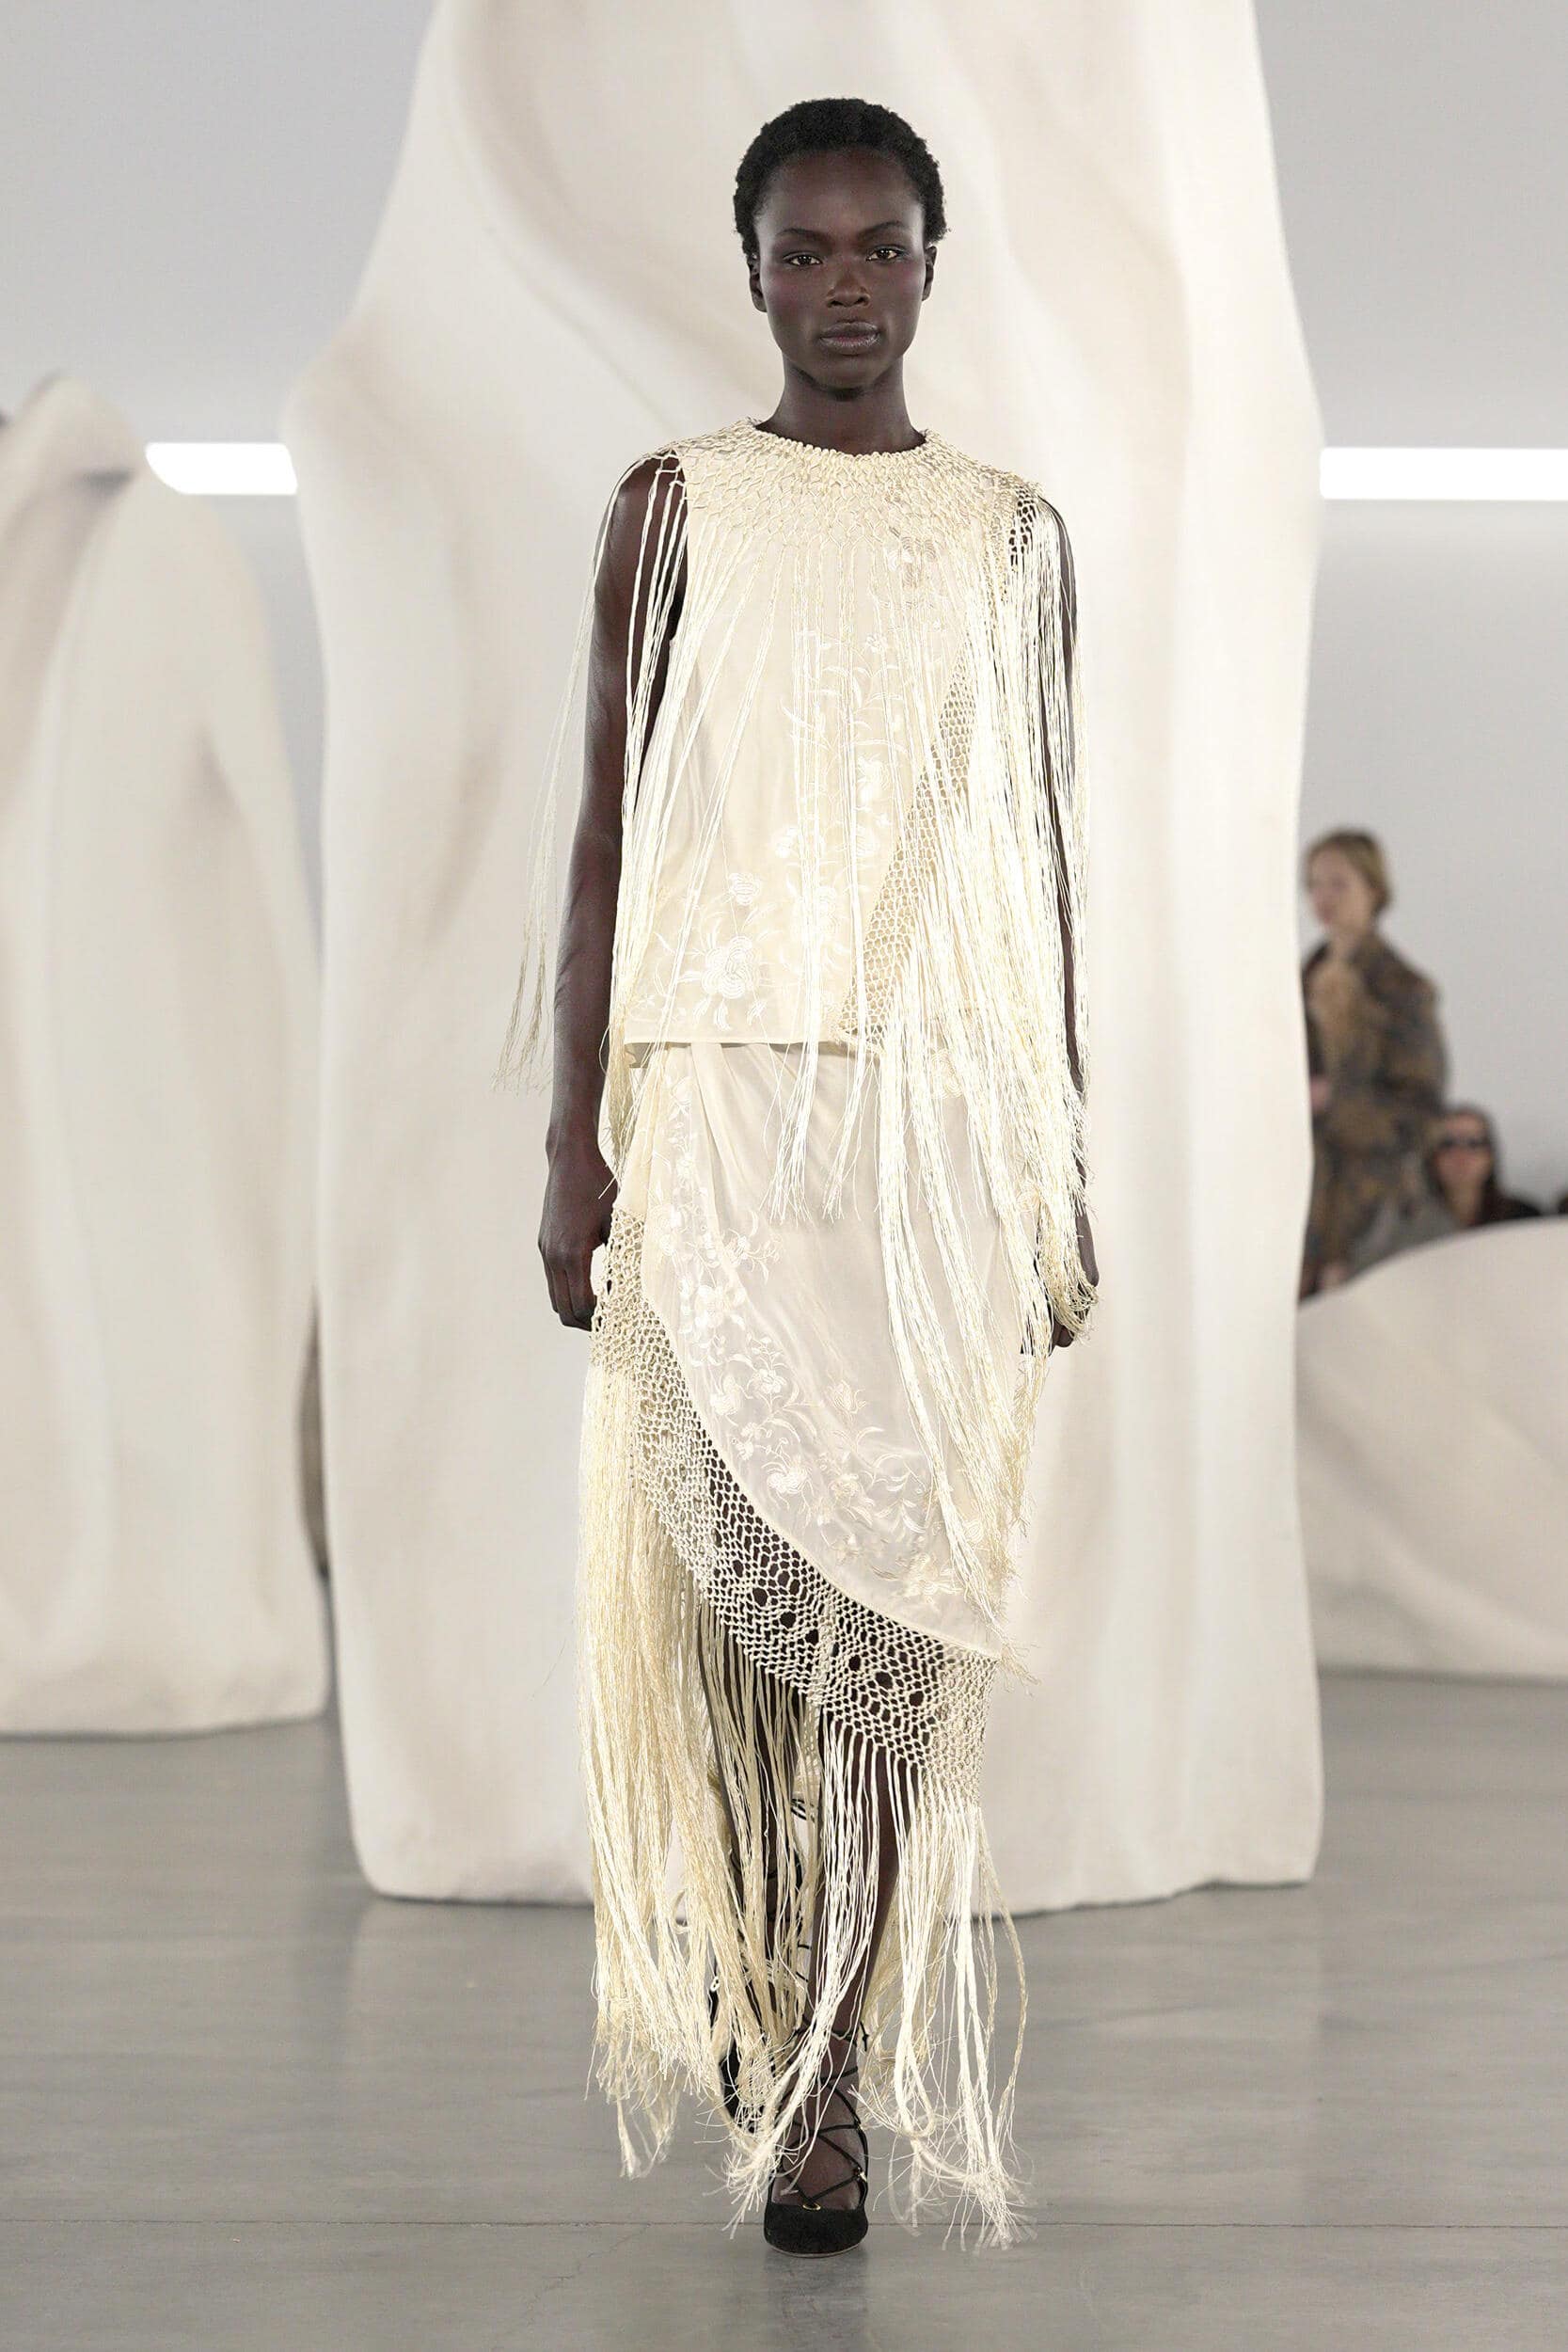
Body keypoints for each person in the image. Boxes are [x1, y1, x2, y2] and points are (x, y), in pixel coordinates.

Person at [495, 97, 1097, 2257]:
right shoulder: (671, 507)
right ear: (750, 270)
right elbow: (602, 829)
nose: (845, 287)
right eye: (805, 251)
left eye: (880, 247)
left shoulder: (1009, 534)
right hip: (722, 1120)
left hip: (927, 1139)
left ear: (932, 263)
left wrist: (1060, 1160)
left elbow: (1033, 858)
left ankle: (830, 2061)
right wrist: (569, 1145)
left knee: (888, 1622)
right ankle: (777, 1998)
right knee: (748, 1615)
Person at [1299, 828, 1447, 1295]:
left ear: (1374, 889)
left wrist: (1334, 1100)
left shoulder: (1402, 990)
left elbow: (1420, 1111)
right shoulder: (1295, 982)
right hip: (1299, 1195)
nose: (1323, 897)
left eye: (1338, 883)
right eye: (1315, 884)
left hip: (1369, 1206)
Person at [1348, 1102, 1543, 1274]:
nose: (1460, 1155)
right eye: (1448, 1144)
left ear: (1490, 1156)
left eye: (1473, 1143)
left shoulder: (1523, 1219)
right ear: (1432, 1157)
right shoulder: (1408, 1222)